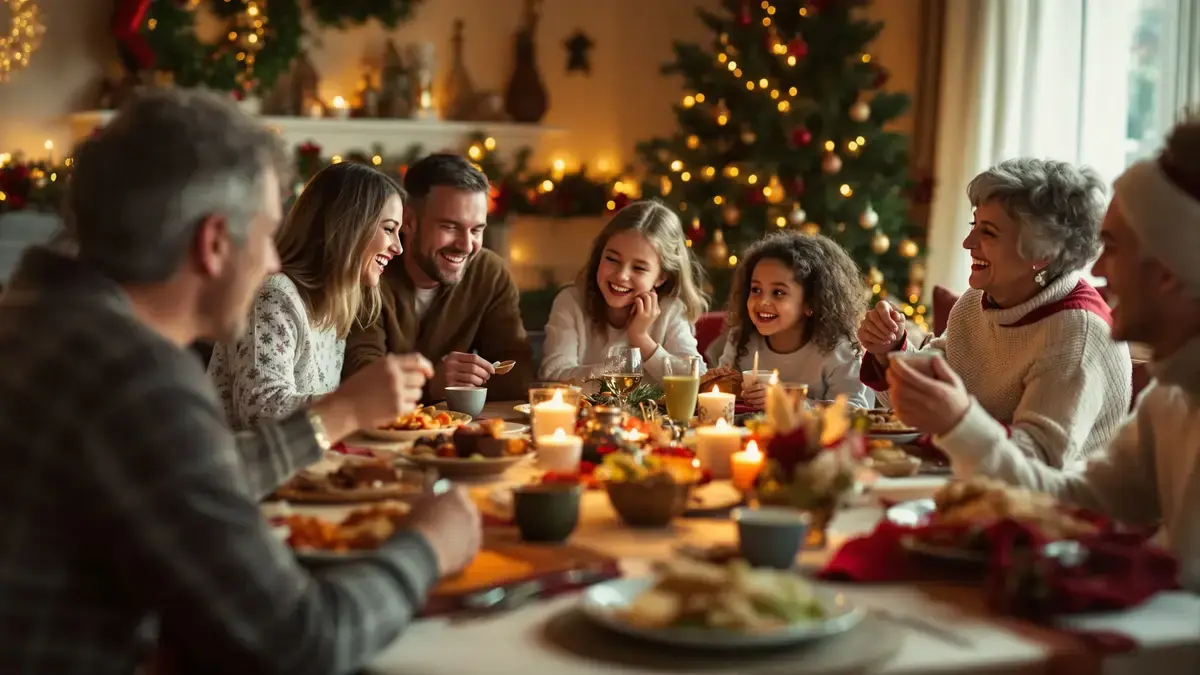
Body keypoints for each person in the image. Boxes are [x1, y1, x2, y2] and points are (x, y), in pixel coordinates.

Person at [0, 88, 481, 673]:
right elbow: (304, 641)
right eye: (266, 234)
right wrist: (428, 546)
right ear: (214, 243)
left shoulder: (35, 311)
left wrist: (333, 418)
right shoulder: (137, 380)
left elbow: (191, 481)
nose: (274, 262)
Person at [884, 118, 1200, 591]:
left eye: (1112, 247)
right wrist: (950, 418)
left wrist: (959, 423)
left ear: (1170, 272)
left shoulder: (1080, 335)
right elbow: (1069, 500)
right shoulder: (1170, 401)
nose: (1095, 267)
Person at [858, 158, 1131, 470]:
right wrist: (889, 351)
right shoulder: (976, 302)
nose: (967, 242)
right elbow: (917, 413)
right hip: (969, 481)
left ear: (1042, 253)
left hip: (1051, 507)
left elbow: (1039, 461)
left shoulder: (1077, 332)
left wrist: (957, 419)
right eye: (974, 226)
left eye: (988, 232)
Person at [208, 162, 404, 429]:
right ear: (349, 226)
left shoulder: (335, 305)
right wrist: (354, 403)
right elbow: (258, 410)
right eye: (389, 229)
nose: (399, 248)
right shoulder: (275, 295)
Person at [343, 153, 532, 401]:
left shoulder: (490, 272)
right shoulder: (373, 269)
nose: (466, 245)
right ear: (408, 221)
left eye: (476, 230)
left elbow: (519, 374)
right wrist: (432, 384)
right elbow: (362, 378)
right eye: (450, 227)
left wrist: (456, 383)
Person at [539, 200, 709, 387]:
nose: (621, 276)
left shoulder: (671, 310)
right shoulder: (571, 302)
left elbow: (697, 379)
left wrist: (641, 339)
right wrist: (627, 373)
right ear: (600, 255)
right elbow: (553, 377)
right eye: (612, 259)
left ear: (661, 277)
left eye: (638, 268)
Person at [716, 231, 874, 410]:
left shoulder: (838, 350)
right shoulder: (740, 339)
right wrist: (718, 384)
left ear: (810, 302)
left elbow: (857, 410)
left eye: (778, 292)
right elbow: (722, 399)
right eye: (756, 289)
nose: (762, 302)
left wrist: (791, 401)